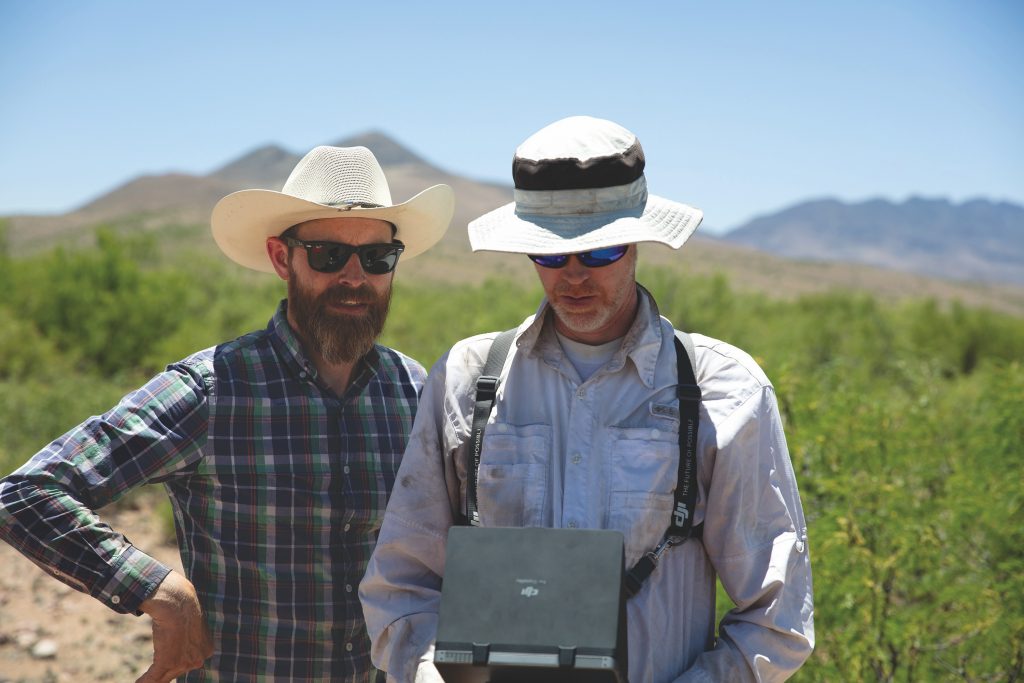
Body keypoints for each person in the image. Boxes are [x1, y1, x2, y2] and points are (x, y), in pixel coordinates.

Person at [359, 116, 815, 681]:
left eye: (599, 252)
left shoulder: (725, 390)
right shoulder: (466, 379)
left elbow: (778, 617)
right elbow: (400, 585)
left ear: (637, 246)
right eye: (550, 256)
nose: (573, 276)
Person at [0, 145, 454, 682]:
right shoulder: (212, 392)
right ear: (282, 258)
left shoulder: (412, 388)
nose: (355, 277)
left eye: (377, 259)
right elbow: (27, 495)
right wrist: (154, 588)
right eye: (328, 255)